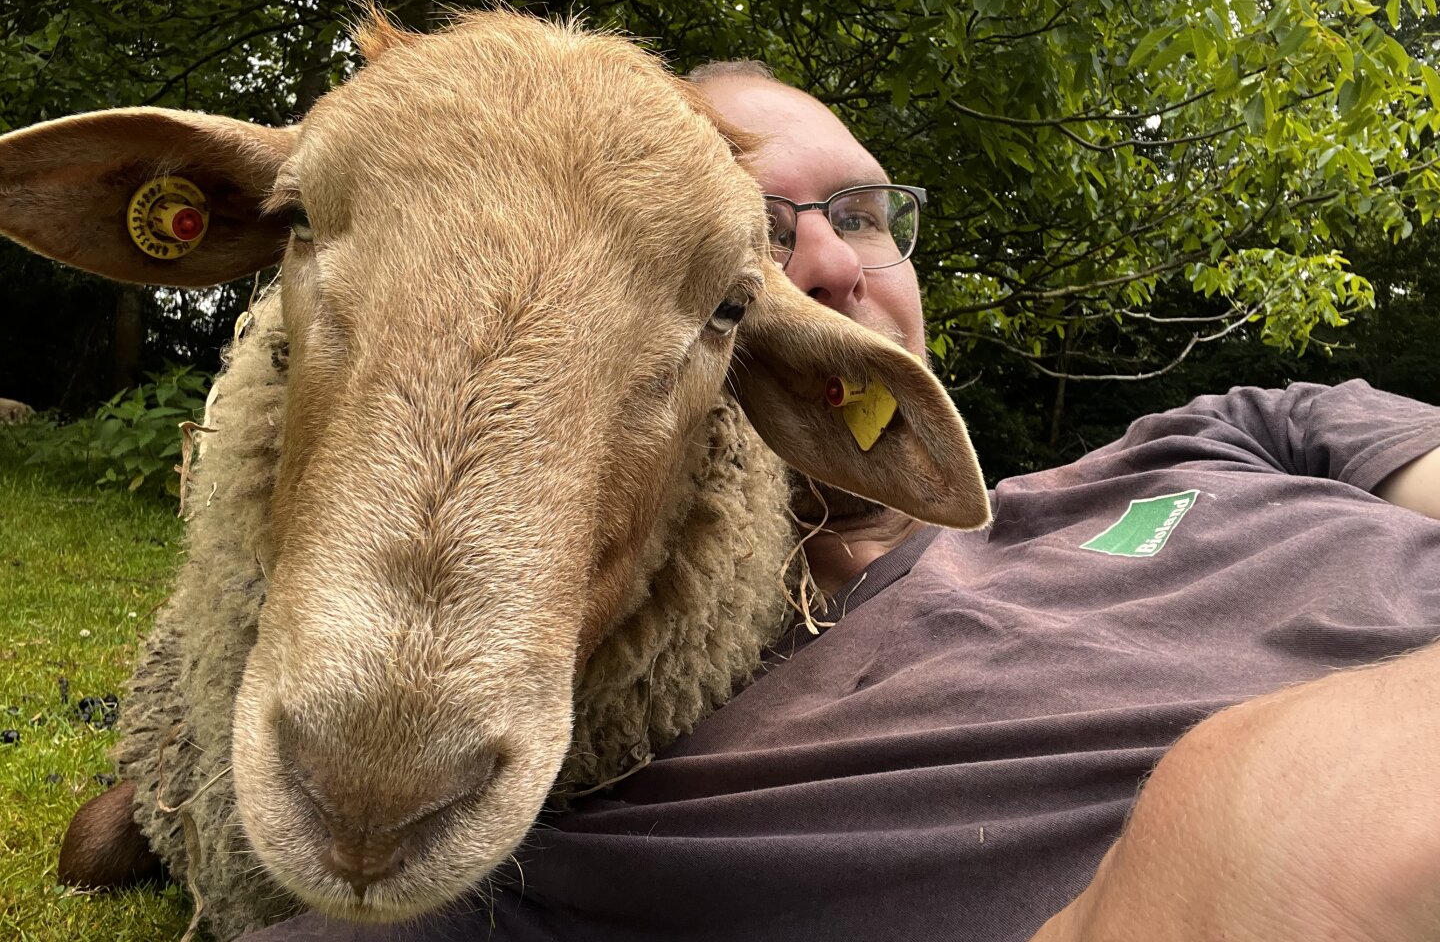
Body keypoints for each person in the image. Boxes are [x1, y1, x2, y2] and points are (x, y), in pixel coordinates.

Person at [247, 68, 1440, 941]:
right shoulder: (667, 808)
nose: (828, 261)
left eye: (863, 213)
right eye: (762, 236)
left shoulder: (1231, 430)